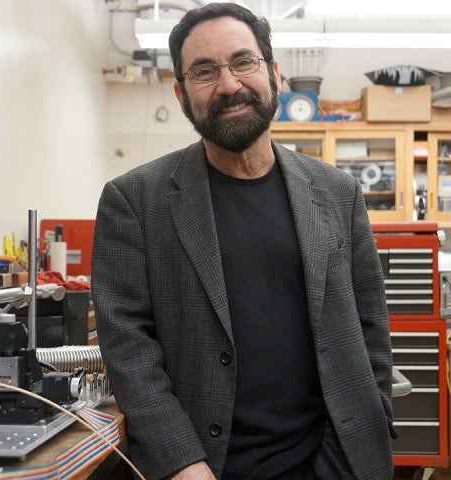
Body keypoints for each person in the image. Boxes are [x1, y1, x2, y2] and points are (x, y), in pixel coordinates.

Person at [91, 3, 396, 479]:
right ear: (181, 92)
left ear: (274, 73)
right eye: (204, 71)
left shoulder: (338, 194)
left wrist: (357, 438)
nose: (229, 84)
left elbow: (369, 327)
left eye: (243, 62)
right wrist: (183, 463)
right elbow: (129, 350)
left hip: (333, 463)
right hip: (205, 468)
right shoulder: (133, 201)